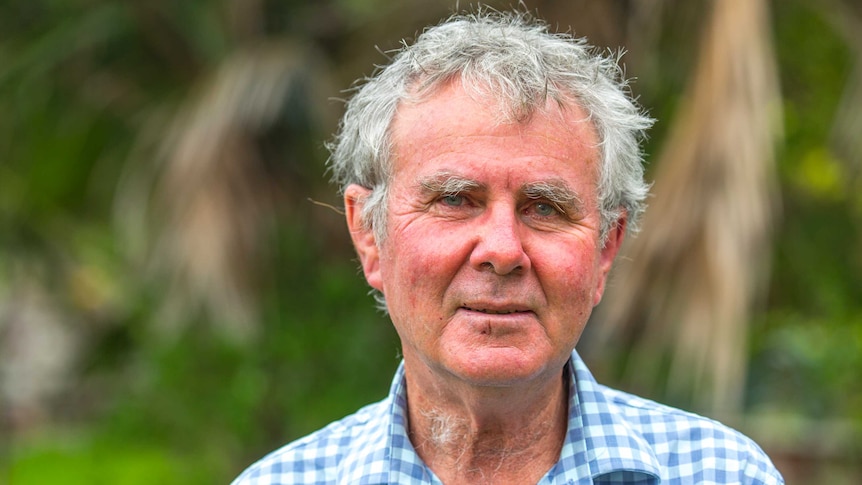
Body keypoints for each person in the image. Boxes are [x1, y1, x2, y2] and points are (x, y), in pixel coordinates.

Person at [233, 11, 784, 485]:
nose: (502, 250)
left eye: (544, 208)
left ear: (605, 251)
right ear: (369, 236)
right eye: (454, 199)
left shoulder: (723, 473)